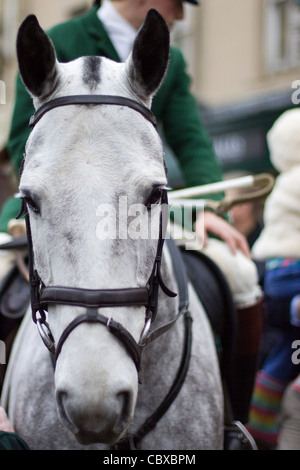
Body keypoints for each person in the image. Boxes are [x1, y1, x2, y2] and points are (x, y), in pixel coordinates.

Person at [0, 0, 263, 424]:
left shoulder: (169, 59)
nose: (180, 15)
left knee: (241, 275)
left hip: (143, 203)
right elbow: (20, 141)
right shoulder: (62, 40)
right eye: (177, 4)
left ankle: (235, 423)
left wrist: (208, 209)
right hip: (59, 201)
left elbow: (192, 140)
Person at [247, 109, 300, 449]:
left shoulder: (284, 181)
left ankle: (261, 425)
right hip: (296, 275)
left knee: (289, 350)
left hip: (275, 278)